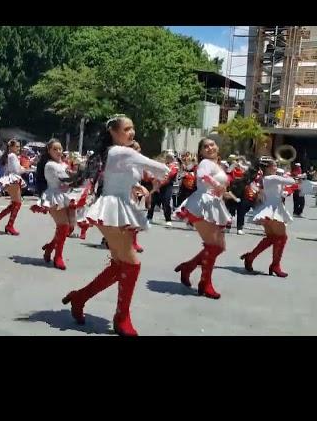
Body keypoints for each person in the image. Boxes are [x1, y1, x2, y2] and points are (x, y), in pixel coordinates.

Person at [62, 115, 169, 336]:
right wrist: (167, 169)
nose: (132, 132)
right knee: (132, 264)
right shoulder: (121, 151)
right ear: (113, 131)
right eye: (127, 129)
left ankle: (79, 298)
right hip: (113, 208)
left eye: (133, 128)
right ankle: (122, 318)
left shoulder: (120, 152)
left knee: (121, 265)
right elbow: (162, 169)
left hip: (121, 207)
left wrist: (140, 187)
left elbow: (126, 178)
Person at [173, 138, 231, 300]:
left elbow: (216, 184)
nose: (210, 148)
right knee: (213, 246)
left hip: (214, 203)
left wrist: (222, 191)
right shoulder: (205, 162)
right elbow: (202, 175)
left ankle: (189, 266)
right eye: (206, 146)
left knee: (219, 247)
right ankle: (205, 284)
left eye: (212, 144)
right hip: (202, 203)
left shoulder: (218, 165)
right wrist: (216, 185)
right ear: (201, 152)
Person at [240, 157, 297, 277]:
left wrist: (284, 192)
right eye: (275, 165)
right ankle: (275, 265)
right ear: (268, 167)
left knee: (272, 238)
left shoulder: (267, 178)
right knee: (282, 237)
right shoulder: (272, 178)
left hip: (269, 208)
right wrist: (288, 174)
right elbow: (292, 182)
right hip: (272, 209)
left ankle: (250, 257)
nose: (276, 167)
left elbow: (278, 192)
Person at [31, 138, 76, 270]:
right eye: (54, 149)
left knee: (69, 228)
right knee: (63, 226)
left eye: (60, 149)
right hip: (54, 196)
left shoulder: (63, 163)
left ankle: (50, 247)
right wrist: (78, 174)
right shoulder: (50, 165)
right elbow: (66, 179)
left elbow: (70, 180)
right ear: (49, 151)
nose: (58, 151)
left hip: (66, 195)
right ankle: (58, 257)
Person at [0, 139, 26, 235]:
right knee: (17, 203)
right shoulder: (12, 156)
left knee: (15, 203)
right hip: (13, 179)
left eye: (19, 146)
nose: (18, 148)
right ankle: (9, 225)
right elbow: (16, 170)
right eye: (17, 146)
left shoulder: (10, 156)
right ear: (11, 147)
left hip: (11, 179)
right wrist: (25, 168)